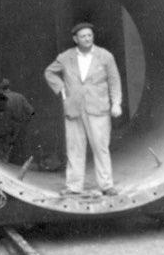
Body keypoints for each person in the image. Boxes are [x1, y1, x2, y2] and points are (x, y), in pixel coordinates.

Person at [44, 22, 122, 196]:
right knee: (74, 148)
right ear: (75, 39)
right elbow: (49, 72)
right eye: (83, 36)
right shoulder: (65, 57)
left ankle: (106, 185)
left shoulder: (105, 56)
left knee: (101, 147)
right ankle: (74, 186)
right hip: (74, 109)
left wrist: (116, 103)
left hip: (98, 108)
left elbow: (114, 80)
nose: (87, 39)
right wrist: (61, 89)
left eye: (89, 35)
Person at [0, 77, 34, 165]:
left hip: (0, 132)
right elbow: (31, 112)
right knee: (17, 156)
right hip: (18, 130)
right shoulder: (19, 97)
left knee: (0, 158)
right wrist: (24, 123)